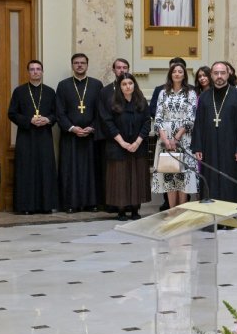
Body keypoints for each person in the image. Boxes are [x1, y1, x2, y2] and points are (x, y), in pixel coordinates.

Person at [191, 61, 237, 204]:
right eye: (216, 73)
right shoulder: (205, 96)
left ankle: (231, 217)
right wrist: (197, 146)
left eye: (222, 73)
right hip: (209, 147)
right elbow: (198, 123)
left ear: (228, 74)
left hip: (231, 148)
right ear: (211, 75)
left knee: (230, 180)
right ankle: (212, 216)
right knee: (210, 179)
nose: (219, 76)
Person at [8, 60, 58, 214]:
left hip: (44, 136)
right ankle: (25, 207)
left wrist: (48, 119)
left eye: (38, 69)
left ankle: (46, 205)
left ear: (42, 72)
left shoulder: (50, 92)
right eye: (32, 69)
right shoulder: (19, 91)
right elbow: (12, 113)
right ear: (28, 72)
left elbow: (57, 113)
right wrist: (28, 120)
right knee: (26, 170)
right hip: (26, 136)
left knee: (45, 169)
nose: (35, 72)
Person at [56, 52, 103, 212]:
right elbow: (59, 111)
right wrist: (72, 128)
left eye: (82, 63)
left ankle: (92, 203)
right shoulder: (63, 85)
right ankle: (71, 204)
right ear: (72, 65)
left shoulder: (97, 85)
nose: (80, 65)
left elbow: (101, 111)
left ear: (87, 65)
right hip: (70, 136)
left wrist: (92, 127)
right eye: (76, 63)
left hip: (91, 136)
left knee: (91, 170)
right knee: (71, 171)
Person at [101, 74, 151, 221]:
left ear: (134, 85)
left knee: (137, 177)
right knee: (120, 179)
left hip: (138, 146)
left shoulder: (141, 102)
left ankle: (135, 209)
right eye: (124, 84)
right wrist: (122, 143)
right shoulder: (113, 102)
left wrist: (137, 142)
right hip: (118, 146)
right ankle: (121, 210)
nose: (128, 86)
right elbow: (109, 124)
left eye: (130, 83)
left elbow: (147, 122)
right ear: (120, 87)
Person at [151, 62, 198, 209]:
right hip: (165, 138)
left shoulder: (190, 92)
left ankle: (182, 211)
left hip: (184, 138)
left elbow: (191, 118)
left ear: (184, 75)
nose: (177, 74)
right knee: (169, 174)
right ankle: (172, 211)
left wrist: (176, 138)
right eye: (174, 71)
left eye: (180, 72)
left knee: (183, 175)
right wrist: (165, 139)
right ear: (170, 74)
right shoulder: (163, 92)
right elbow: (157, 117)